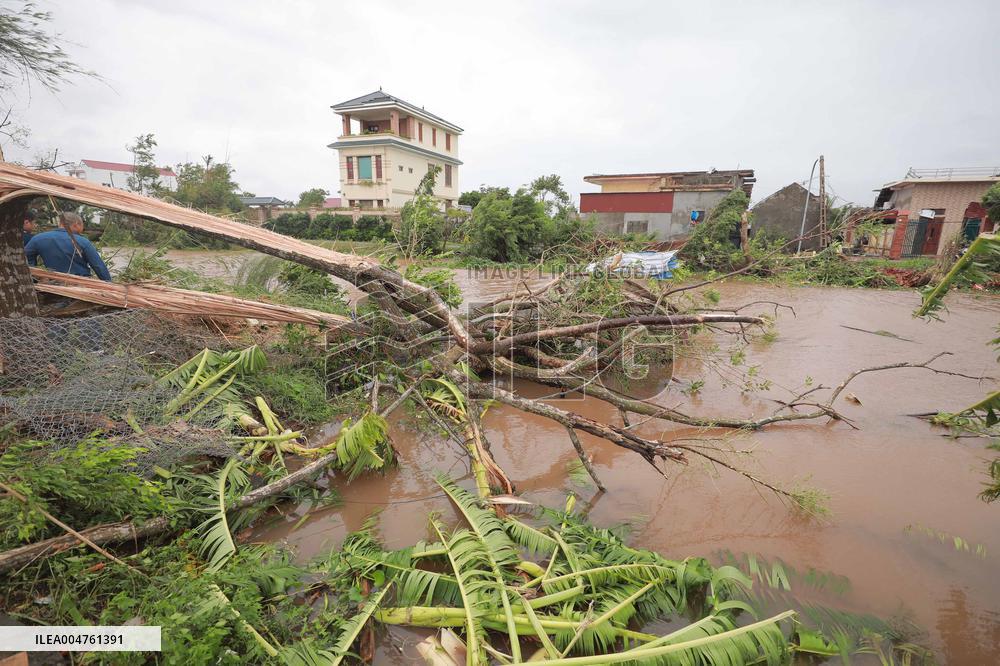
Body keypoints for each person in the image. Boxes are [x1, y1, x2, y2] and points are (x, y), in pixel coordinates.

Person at [24, 212, 112, 281]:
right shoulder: (83, 241)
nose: (82, 229)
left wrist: (35, 277)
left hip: (53, 285)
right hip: (81, 286)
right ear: (76, 224)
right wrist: (109, 285)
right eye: (82, 225)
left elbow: (24, 257)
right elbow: (99, 266)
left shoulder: (39, 238)